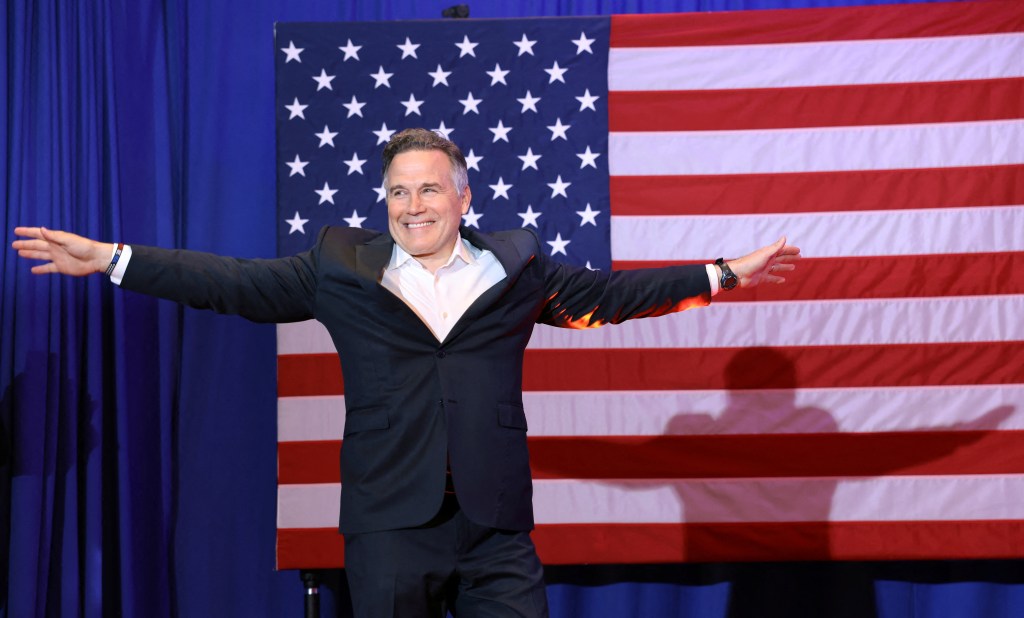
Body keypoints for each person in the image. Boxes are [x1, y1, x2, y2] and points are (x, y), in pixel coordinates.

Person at [13, 128, 800, 617]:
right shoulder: (340, 266)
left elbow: (611, 296)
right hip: (391, 523)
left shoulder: (518, 263)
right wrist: (115, 260)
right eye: (398, 190)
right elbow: (232, 283)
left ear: (463, 196)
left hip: (496, 527)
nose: (412, 204)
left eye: (429, 188)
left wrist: (722, 273)